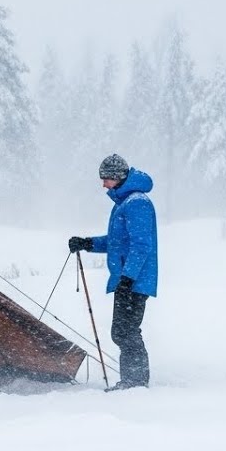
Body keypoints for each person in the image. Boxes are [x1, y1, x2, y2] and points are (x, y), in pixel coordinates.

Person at [68, 154, 157, 391]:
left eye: (105, 179)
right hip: (128, 279)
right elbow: (118, 243)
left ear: (117, 177)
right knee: (122, 330)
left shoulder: (136, 203)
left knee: (124, 330)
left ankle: (135, 382)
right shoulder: (125, 203)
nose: (103, 184)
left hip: (134, 280)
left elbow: (141, 245)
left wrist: (128, 277)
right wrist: (87, 243)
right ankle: (133, 381)